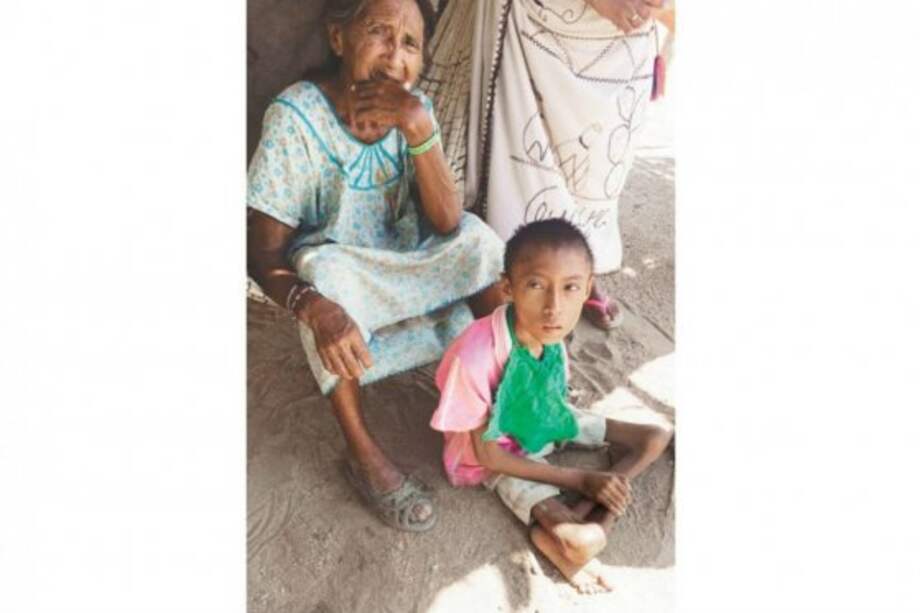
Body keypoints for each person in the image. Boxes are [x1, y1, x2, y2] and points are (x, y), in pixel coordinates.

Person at [247, 0, 506, 532]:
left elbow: (448, 224)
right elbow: (263, 255)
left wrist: (417, 129)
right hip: (347, 292)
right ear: (338, 39)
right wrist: (314, 308)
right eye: (380, 33)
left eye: (411, 44)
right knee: (326, 277)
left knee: (479, 242)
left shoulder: (416, 111)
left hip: (407, 267)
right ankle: (363, 455)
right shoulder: (296, 118)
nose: (395, 56)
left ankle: (516, 386)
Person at [430, 219, 673, 592]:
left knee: (656, 436)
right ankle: (572, 536)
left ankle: (569, 524)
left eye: (570, 287)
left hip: (545, 416)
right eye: (536, 286)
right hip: (503, 453)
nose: (553, 307)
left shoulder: (552, 333)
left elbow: (551, 395)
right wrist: (582, 480)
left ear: (588, 288)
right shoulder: (475, 357)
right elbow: (490, 456)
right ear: (508, 288)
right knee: (587, 542)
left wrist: (600, 487)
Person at [422, 0, 674, 329]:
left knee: (595, 160)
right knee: (519, 147)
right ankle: (510, 274)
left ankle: (579, 264)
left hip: (628, 34)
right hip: (538, 12)